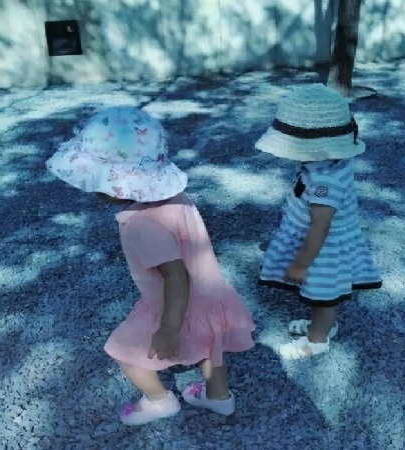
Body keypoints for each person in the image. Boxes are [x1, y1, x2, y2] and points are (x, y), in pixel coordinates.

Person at [46, 106, 255, 426]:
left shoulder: (142, 224)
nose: (92, 188)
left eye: (97, 180)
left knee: (125, 352)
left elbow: (176, 277)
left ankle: (159, 401)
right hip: (210, 294)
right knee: (210, 347)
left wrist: (169, 329)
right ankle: (219, 398)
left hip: (172, 305)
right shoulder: (177, 198)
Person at [255, 84, 382, 358]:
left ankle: (317, 341)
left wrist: (301, 263)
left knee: (324, 295)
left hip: (324, 249)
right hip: (318, 243)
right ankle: (319, 326)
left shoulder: (326, 181)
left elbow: (320, 226)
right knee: (319, 291)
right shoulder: (328, 163)